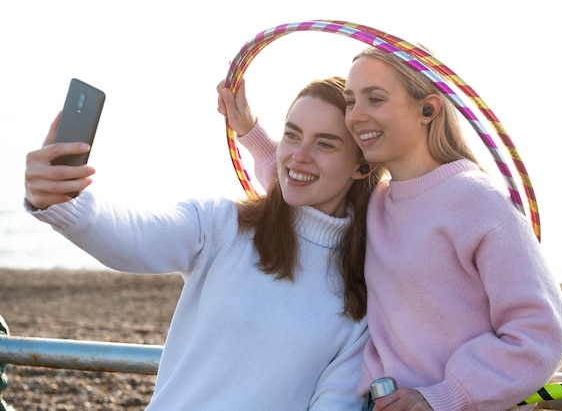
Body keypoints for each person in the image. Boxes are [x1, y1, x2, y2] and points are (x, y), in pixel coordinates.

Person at [220, 46, 562, 410]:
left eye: (374, 99)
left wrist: (444, 396)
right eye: (350, 101)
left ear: (428, 109)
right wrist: (250, 131)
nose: (355, 117)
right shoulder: (376, 202)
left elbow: (541, 332)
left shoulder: (477, 202)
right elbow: (299, 186)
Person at [24, 77, 384, 410]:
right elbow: (133, 237)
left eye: (324, 144)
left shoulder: (363, 296)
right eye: (292, 135)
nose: (298, 155)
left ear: (362, 167)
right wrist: (61, 199)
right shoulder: (224, 225)